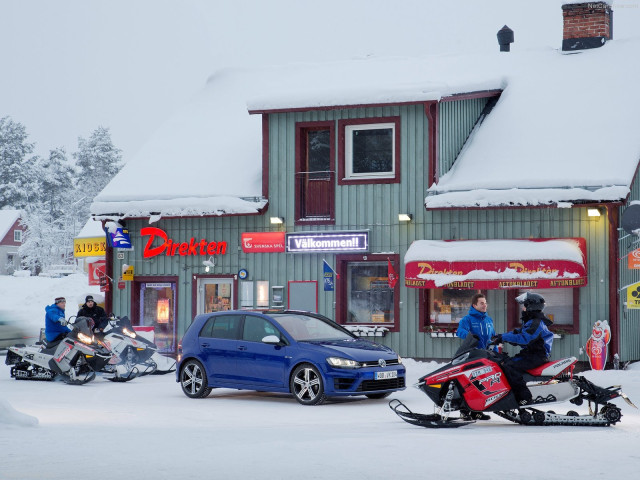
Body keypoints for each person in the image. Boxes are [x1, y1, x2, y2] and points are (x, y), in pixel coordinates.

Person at [491, 292, 554, 406]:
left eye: (524, 305)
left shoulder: (536, 323)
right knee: (504, 362)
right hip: (530, 354)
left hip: (537, 356)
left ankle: (524, 398)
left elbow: (524, 338)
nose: (522, 308)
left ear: (531, 306)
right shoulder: (531, 321)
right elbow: (518, 332)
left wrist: (504, 337)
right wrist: (500, 336)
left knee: (510, 367)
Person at [456, 293, 495, 421]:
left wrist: (495, 351)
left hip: (486, 357)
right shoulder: (467, 320)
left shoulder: (489, 320)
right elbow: (460, 331)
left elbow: (492, 337)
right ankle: (464, 411)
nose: (485, 305)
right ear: (475, 305)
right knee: (469, 386)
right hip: (472, 356)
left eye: (485, 303)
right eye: (482, 303)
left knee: (484, 385)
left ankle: (478, 411)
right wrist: (471, 337)